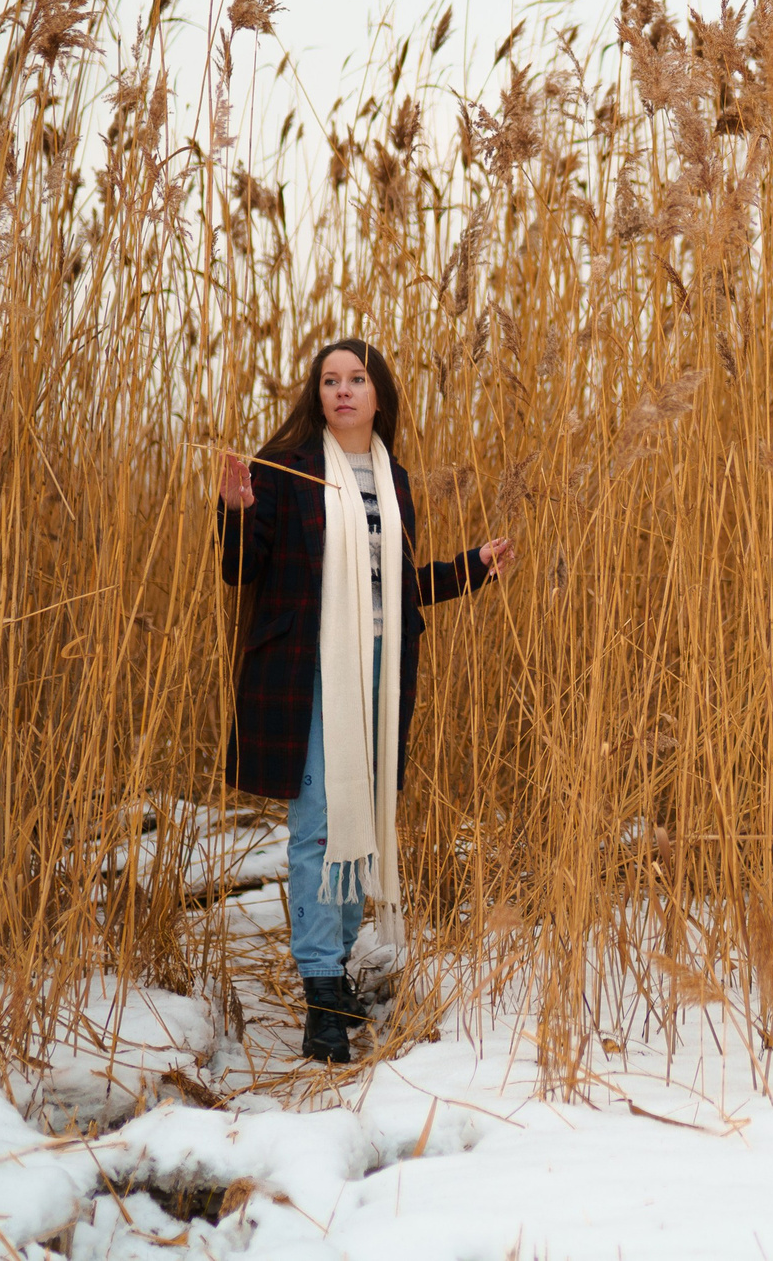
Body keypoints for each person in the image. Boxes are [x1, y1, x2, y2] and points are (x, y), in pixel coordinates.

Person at [216, 338, 512, 1064]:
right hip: (311, 667)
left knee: (363, 820)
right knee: (321, 821)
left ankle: (336, 968)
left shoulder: (392, 477)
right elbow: (242, 570)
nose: (343, 390)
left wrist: (471, 568)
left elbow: (398, 584)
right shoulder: (284, 468)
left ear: (379, 394)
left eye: (356, 379)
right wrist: (236, 510)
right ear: (316, 395)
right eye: (330, 380)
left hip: (381, 667)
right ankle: (321, 992)